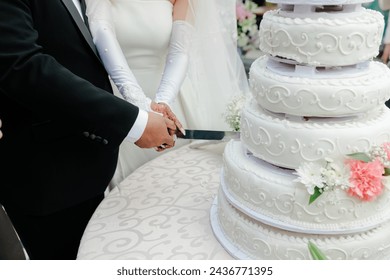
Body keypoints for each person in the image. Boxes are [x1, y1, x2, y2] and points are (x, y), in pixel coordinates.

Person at [0, 0, 176, 260]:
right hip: (48, 178)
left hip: (86, 165)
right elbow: (23, 67)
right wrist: (134, 124)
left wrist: (141, 106)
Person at [85, 0, 250, 185]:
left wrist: (162, 103)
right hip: (121, 104)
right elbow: (102, 34)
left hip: (169, 100)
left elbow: (180, 51)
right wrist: (141, 105)